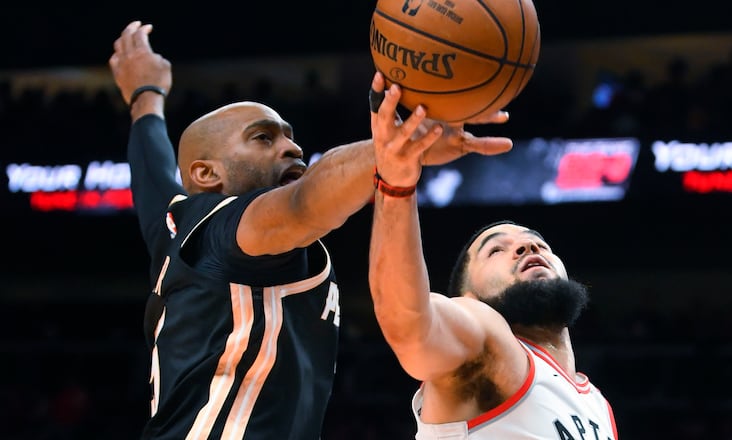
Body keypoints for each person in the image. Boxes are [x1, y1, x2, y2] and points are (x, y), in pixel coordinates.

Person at [108, 20, 513, 440]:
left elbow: (151, 171)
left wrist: (145, 95)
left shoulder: (173, 225)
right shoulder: (226, 229)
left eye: (289, 136)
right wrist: (391, 150)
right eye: (263, 138)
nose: (292, 148)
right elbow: (306, 202)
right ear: (207, 174)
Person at [367, 82, 619, 439]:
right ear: (467, 298)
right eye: (496, 249)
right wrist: (395, 184)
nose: (527, 249)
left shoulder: (597, 404)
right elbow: (409, 325)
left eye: (537, 243)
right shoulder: (487, 339)